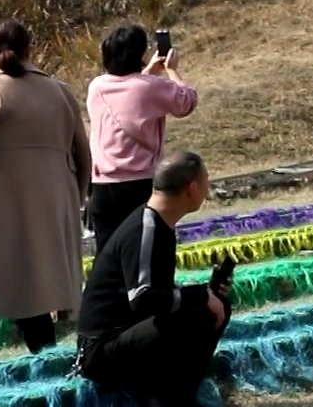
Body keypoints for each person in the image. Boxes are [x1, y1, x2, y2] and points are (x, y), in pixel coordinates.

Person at [0, 18, 93, 365]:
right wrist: (72, 201)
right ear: (29, 48)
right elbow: (83, 154)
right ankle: (52, 372)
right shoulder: (60, 92)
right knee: (33, 296)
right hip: (49, 207)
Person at [77, 151, 231, 406]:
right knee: (198, 314)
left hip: (127, 333)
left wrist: (207, 291)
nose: (207, 191)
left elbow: (158, 293)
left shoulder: (159, 223)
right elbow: (143, 298)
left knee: (215, 305)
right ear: (192, 188)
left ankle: (178, 393)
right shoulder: (145, 227)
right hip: (100, 350)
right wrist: (200, 295)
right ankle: (166, 397)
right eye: (206, 182)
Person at [86, 25, 199, 254]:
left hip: (101, 185)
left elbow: (129, 90)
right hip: (139, 183)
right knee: (144, 251)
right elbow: (186, 101)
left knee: (108, 255)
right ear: (138, 54)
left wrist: (148, 71)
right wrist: (172, 70)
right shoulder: (150, 88)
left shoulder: (96, 87)